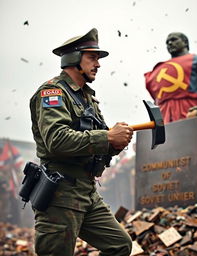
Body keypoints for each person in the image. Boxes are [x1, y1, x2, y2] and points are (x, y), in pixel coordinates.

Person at [29, 28, 133, 256]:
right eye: (92, 58)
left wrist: (115, 144)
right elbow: (57, 140)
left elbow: (96, 145)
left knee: (120, 246)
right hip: (61, 193)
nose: (98, 64)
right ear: (74, 59)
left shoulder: (87, 98)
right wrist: (107, 137)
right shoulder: (53, 93)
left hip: (87, 192)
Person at [145, 32, 197, 123]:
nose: (169, 43)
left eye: (174, 39)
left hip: (191, 113)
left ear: (185, 42)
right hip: (163, 120)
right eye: (167, 42)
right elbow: (157, 100)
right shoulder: (157, 70)